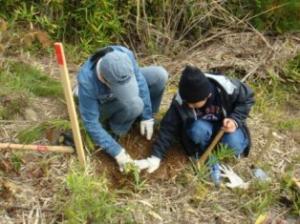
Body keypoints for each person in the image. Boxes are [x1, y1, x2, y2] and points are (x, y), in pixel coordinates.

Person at [135, 65, 255, 173]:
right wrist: (156, 157)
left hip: (225, 128)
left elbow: (248, 97)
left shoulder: (226, 88)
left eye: (193, 103)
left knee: (234, 143)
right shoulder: (183, 100)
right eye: (187, 102)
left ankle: (222, 153)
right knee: (197, 130)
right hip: (202, 127)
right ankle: (204, 154)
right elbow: (168, 127)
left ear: (207, 96)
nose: (189, 106)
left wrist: (235, 120)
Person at [76, 45, 168, 171]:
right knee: (135, 104)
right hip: (101, 102)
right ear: (105, 80)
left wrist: (147, 116)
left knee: (159, 75)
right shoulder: (87, 82)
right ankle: (116, 131)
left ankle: (141, 120)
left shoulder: (124, 55)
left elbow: (140, 81)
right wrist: (118, 152)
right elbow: (91, 123)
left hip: (117, 89)